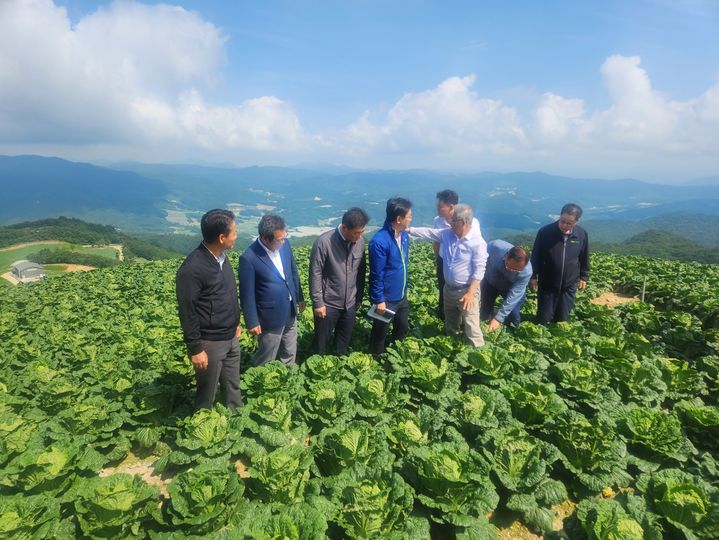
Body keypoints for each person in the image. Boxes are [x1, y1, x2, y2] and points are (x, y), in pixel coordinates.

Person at [176, 209, 242, 411]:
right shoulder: (192, 269)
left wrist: (236, 322)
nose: (236, 236)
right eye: (234, 232)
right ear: (222, 238)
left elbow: (227, 294)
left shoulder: (222, 257)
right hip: (210, 343)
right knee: (207, 394)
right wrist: (196, 349)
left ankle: (236, 422)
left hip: (230, 337)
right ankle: (202, 429)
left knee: (233, 387)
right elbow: (187, 312)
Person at [409, 204, 488, 347]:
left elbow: (479, 271)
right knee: (451, 323)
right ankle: (453, 350)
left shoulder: (477, 243)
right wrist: (408, 229)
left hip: (467, 291)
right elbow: (428, 232)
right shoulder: (447, 234)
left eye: (453, 221)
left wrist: (470, 293)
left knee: (472, 326)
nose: (450, 223)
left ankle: (477, 353)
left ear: (463, 222)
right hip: (449, 289)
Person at [238, 214, 305, 366]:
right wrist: (252, 321)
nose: (283, 241)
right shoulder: (249, 258)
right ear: (265, 238)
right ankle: (262, 384)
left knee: (289, 350)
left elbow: (292, 271)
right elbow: (246, 294)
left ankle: (287, 380)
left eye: (284, 237)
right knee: (267, 355)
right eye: (279, 239)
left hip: (290, 308)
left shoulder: (285, 245)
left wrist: (299, 296)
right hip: (269, 316)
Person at [309, 207, 369, 355]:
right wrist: (318, 303)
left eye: (362, 232)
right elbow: (315, 273)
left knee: (342, 344)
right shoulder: (324, 242)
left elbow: (361, 272)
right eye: (356, 233)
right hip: (328, 304)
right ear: (344, 227)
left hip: (349, 304)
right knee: (320, 344)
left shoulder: (360, 243)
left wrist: (358, 297)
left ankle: (338, 370)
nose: (359, 236)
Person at [530, 203, 590, 324]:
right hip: (547, 283)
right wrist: (533, 276)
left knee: (562, 320)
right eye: (562, 221)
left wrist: (584, 276)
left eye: (569, 223)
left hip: (569, 284)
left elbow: (584, 256)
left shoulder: (581, 234)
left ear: (576, 221)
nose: (564, 225)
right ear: (560, 216)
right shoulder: (545, 232)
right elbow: (536, 255)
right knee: (543, 319)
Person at [368, 197, 412, 357]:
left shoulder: (404, 236)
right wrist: (379, 299)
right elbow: (376, 274)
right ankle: (376, 359)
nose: (411, 219)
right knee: (380, 333)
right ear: (399, 219)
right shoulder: (379, 242)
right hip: (386, 299)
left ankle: (395, 357)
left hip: (401, 295)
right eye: (409, 216)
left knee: (402, 327)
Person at [433, 189, 482, 319]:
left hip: (463, 264)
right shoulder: (438, 220)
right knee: (444, 288)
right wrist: (438, 258)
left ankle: (463, 317)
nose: (437, 208)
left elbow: (477, 247)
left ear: (451, 207)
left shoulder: (472, 222)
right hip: (444, 261)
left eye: (440, 206)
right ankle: (445, 315)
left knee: (462, 290)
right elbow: (436, 241)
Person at [480, 240, 532, 331]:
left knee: (513, 314)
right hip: (490, 282)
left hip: (510, 287)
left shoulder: (526, 272)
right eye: (510, 267)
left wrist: (498, 318)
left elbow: (515, 294)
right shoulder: (494, 247)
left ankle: (514, 334)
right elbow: (479, 259)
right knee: (485, 311)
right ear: (506, 257)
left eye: (516, 270)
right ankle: (485, 331)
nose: (512, 271)